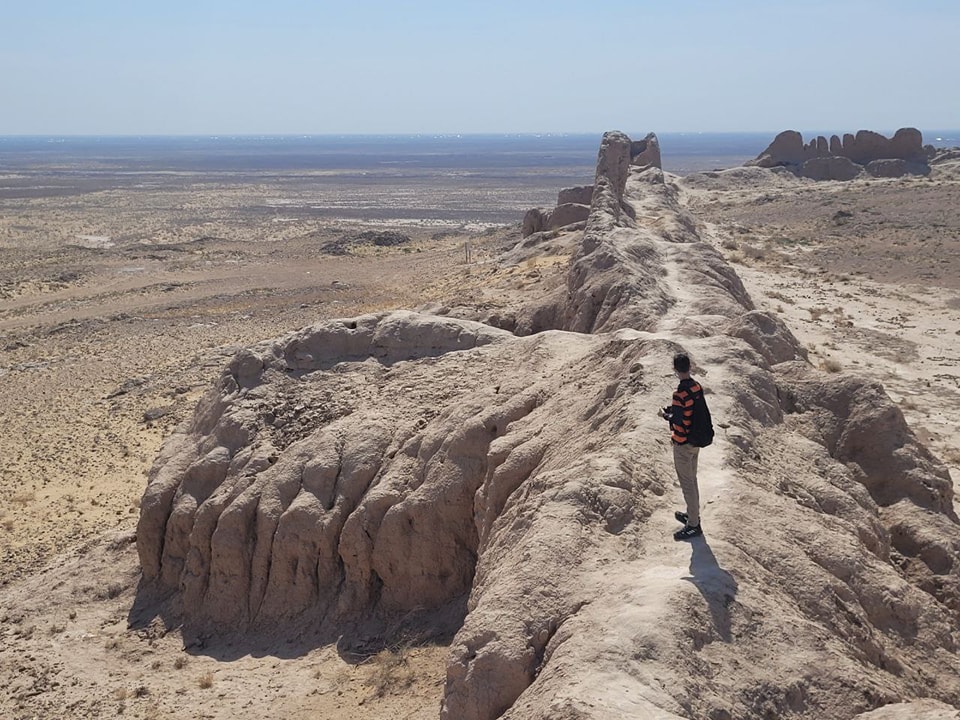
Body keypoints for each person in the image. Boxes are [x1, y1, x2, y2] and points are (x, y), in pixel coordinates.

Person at [658, 353, 709, 541]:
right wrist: (674, 411)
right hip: (696, 442)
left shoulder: (679, 394)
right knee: (692, 480)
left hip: (683, 444)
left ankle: (694, 525)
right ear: (689, 367)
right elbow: (691, 410)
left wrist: (665, 415)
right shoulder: (696, 387)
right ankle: (692, 514)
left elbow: (679, 421)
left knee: (687, 484)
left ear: (675, 370)